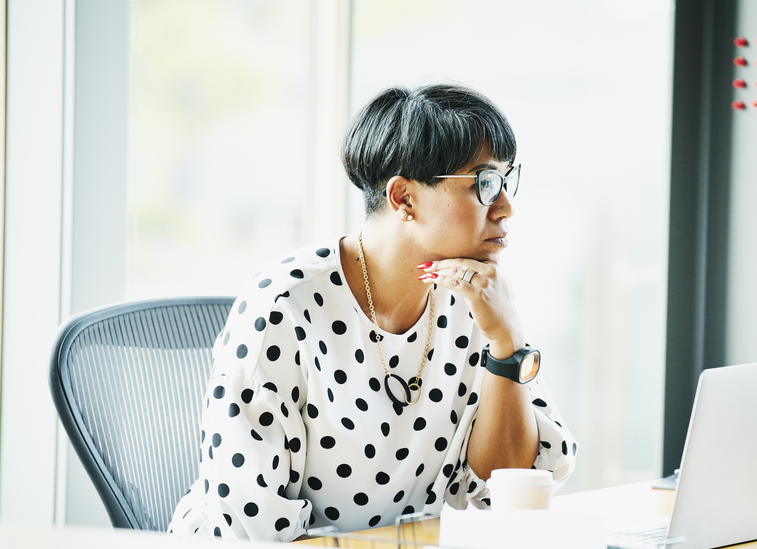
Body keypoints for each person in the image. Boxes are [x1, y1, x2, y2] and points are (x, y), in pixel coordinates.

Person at [168, 83, 577, 541]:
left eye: (506, 179)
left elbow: (503, 489)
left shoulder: (475, 299)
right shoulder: (284, 305)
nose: (506, 207)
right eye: (484, 183)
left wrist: (507, 344)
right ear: (403, 197)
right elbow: (253, 529)